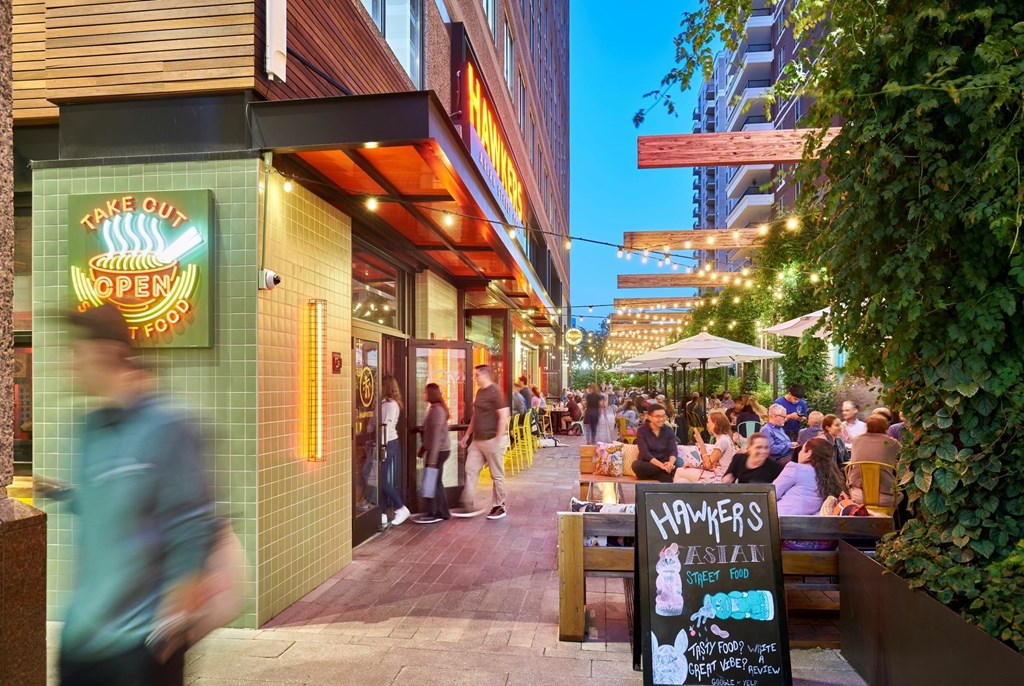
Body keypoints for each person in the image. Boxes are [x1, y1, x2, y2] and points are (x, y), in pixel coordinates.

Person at [36, 304, 217, 686]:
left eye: (76, 353)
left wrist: (169, 632)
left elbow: (191, 530)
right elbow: (102, 506)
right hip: (80, 643)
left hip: (137, 649)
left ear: (105, 352)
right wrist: (63, 494)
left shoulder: (168, 428)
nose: (70, 365)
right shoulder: (87, 428)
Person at [460, 365, 511, 519]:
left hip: (492, 439)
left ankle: (499, 506)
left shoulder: (495, 391)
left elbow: (504, 415)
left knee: (496, 475)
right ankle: (467, 502)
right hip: (478, 440)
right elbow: (476, 415)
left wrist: (497, 438)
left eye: (477, 375)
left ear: (485, 375)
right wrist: (467, 435)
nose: (474, 378)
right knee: (470, 469)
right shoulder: (480, 392)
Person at [773, 438, 847, 515]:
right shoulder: (831, 476)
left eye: (801, 450)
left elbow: (772, 494)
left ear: (809, 453)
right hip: (813, 522)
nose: (799, 453)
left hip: (782, 519)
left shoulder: (795, 468)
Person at [416, 383, 452, 524]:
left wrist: (431, 459)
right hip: (437, 451)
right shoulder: (434, 409)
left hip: (439, 451)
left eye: (425, 392)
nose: (423, 394)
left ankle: (437, 512)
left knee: (433, 481)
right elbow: (430, 434)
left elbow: (436, 436)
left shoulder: (437, 411)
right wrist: (423, 450)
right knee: (435, 481)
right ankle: (441, 512)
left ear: (431, 394)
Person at [848, 414, 900, 507]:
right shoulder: (892, 443)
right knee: (902, 494)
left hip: (858, 497)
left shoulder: (856, 440)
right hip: (885, 498)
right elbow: (903, 456)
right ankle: (890, 519)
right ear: (885, 427)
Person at [380, 375, 411, 526]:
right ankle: (382, 513)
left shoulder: (390, 405)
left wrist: (382, 447)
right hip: (388, 443)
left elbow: (385, 427)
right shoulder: (387, 403)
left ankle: (400, 508)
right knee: (381, 479)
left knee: (381, 480)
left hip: (387, 444)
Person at [676, 412, 735, 483]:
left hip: (719, 478)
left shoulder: (722, 441)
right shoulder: (725, 438)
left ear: (715, 424)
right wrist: (694, 466)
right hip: (719, 475)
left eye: (709, 422)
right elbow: (710, 464)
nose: (707, 425)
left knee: (679, 471)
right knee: (682, 481)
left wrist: (701, 443)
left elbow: (708, 464)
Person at [632, 404, 678, 483]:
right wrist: (661, 466)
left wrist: (670, 463)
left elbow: (673, 450)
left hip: (664, 462)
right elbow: (644, 453)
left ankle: (666, 472)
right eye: (658, 416)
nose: (661, 419)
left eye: (663, 416)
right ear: (650, 417)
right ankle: (667, 472)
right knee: (636, 465)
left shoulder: (668, 430)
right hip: (649, 464)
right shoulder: (642, 430)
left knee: (670, 471)